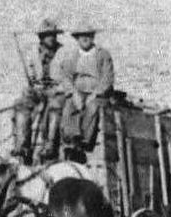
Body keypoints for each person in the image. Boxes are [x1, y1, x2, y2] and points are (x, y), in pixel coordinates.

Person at [12, 18, 66, 164]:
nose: (52, 38)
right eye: (48, 35)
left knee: (55, 106)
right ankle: (23, 146)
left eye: (54, 35)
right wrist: (31, 86)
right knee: (22, 104)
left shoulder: (63, 52)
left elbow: (67, 77)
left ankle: (49, 145)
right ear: (41, 37)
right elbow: (31, 75)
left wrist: (59, 88)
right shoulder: (33, 52)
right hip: (39, 89)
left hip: (57, 90)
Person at [59, 21, 115, 152]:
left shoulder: (103, 54)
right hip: (78, 91)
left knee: (93, 107)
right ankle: (72, 140)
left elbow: (107, 78)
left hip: (97, 93)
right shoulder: (72, 56)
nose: (85, 38)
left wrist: (95, 94)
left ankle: (84, 141)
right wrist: (74, 93)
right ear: (77, 39)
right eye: (81, 36)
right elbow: (66, 76)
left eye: (88, 35)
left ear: (93, 37)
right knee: (69, 105)